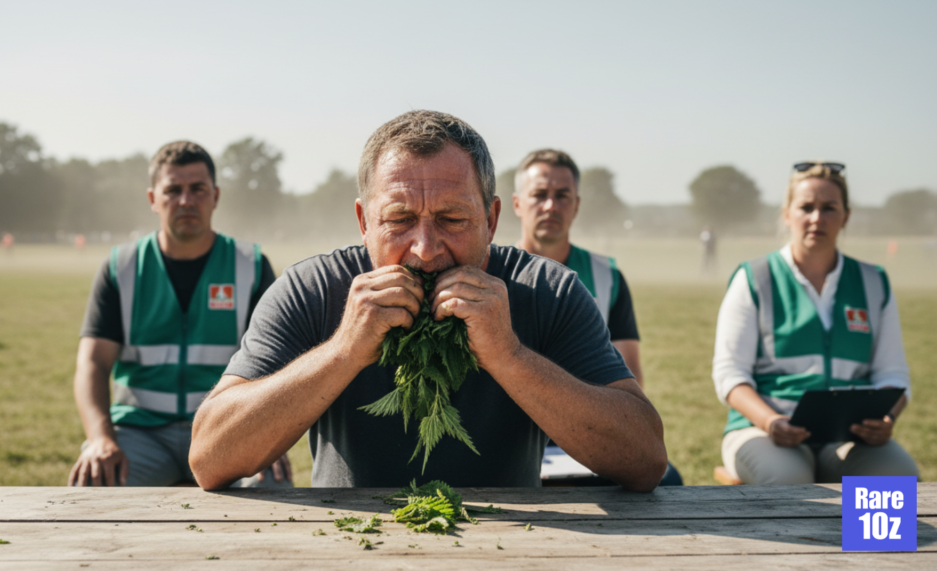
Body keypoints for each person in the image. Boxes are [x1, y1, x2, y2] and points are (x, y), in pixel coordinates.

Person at [189, 111, 667, 491]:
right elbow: (210, 458)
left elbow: (644, 459)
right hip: (349, 545)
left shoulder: (548, 291)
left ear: (492, 218)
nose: (425, 249)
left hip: (517, 544)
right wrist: (343, 351)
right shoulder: (312, 290)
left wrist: (510, 356)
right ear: (363, 220)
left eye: (452, 219)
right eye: (399, 219)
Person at [69, 141, 291, 487]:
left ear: (215, 196)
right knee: (93, 484)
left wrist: (268, 436)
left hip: (225, 428)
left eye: (197, 189)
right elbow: (92, 364)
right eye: (173, 190)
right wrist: (100, 438)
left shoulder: (250, 265)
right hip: (139, 433)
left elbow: (278, 362)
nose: (186, 200)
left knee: (270, 487)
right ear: (152, 199)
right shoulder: (122, 267)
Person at [712, 161, 918, 484]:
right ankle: (808, 538)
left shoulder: (874, 281)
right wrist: (770, 422)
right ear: (786, 214)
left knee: (895, 478)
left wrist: (887, 417)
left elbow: (893, 373)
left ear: (846, 216)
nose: (817, 218)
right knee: (790, 483)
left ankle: (871, 539)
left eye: (829, 208)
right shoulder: (754, 278)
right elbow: (729, 374)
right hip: (762, 430)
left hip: (849, 437)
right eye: (806, 207)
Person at [512, 148, 682, 486]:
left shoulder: (608, 276)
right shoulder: (494, 274)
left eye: (562, 196)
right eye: (539, 195)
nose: (550, 206)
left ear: (576, 205)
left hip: (586, 429)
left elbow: (631, 377)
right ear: (517, 204)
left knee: (667, 480)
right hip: (515, 437)